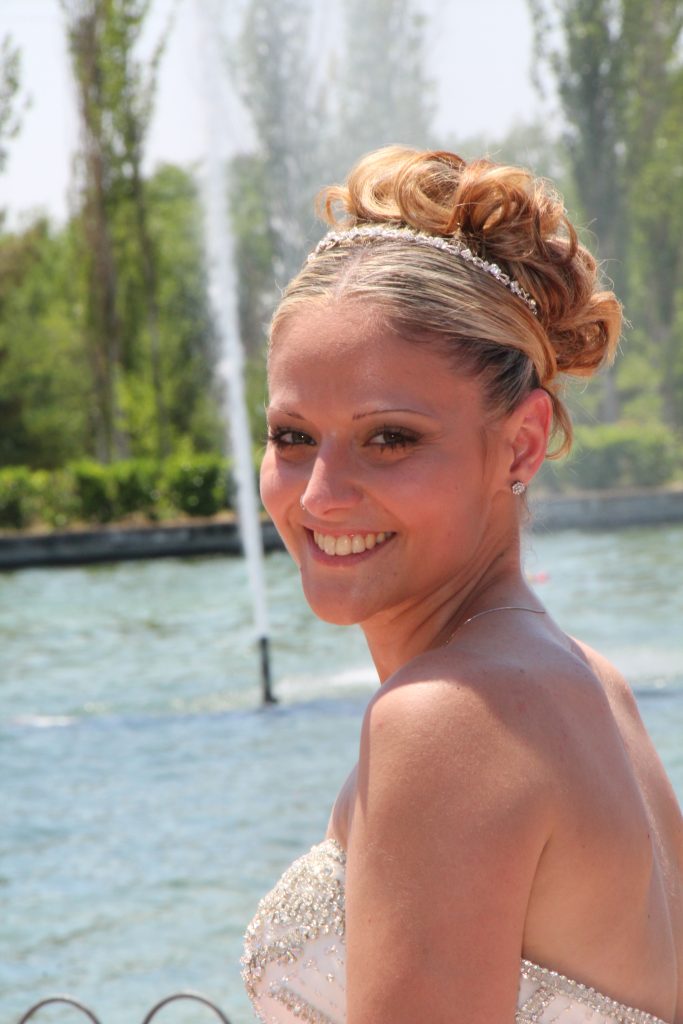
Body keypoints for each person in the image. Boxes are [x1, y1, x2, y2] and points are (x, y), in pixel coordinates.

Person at [241, 146, 683, 1024]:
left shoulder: (444, 723)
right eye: (292, 437)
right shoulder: (589, 683)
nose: (319, 495)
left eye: (389, 438)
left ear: (520, 445)